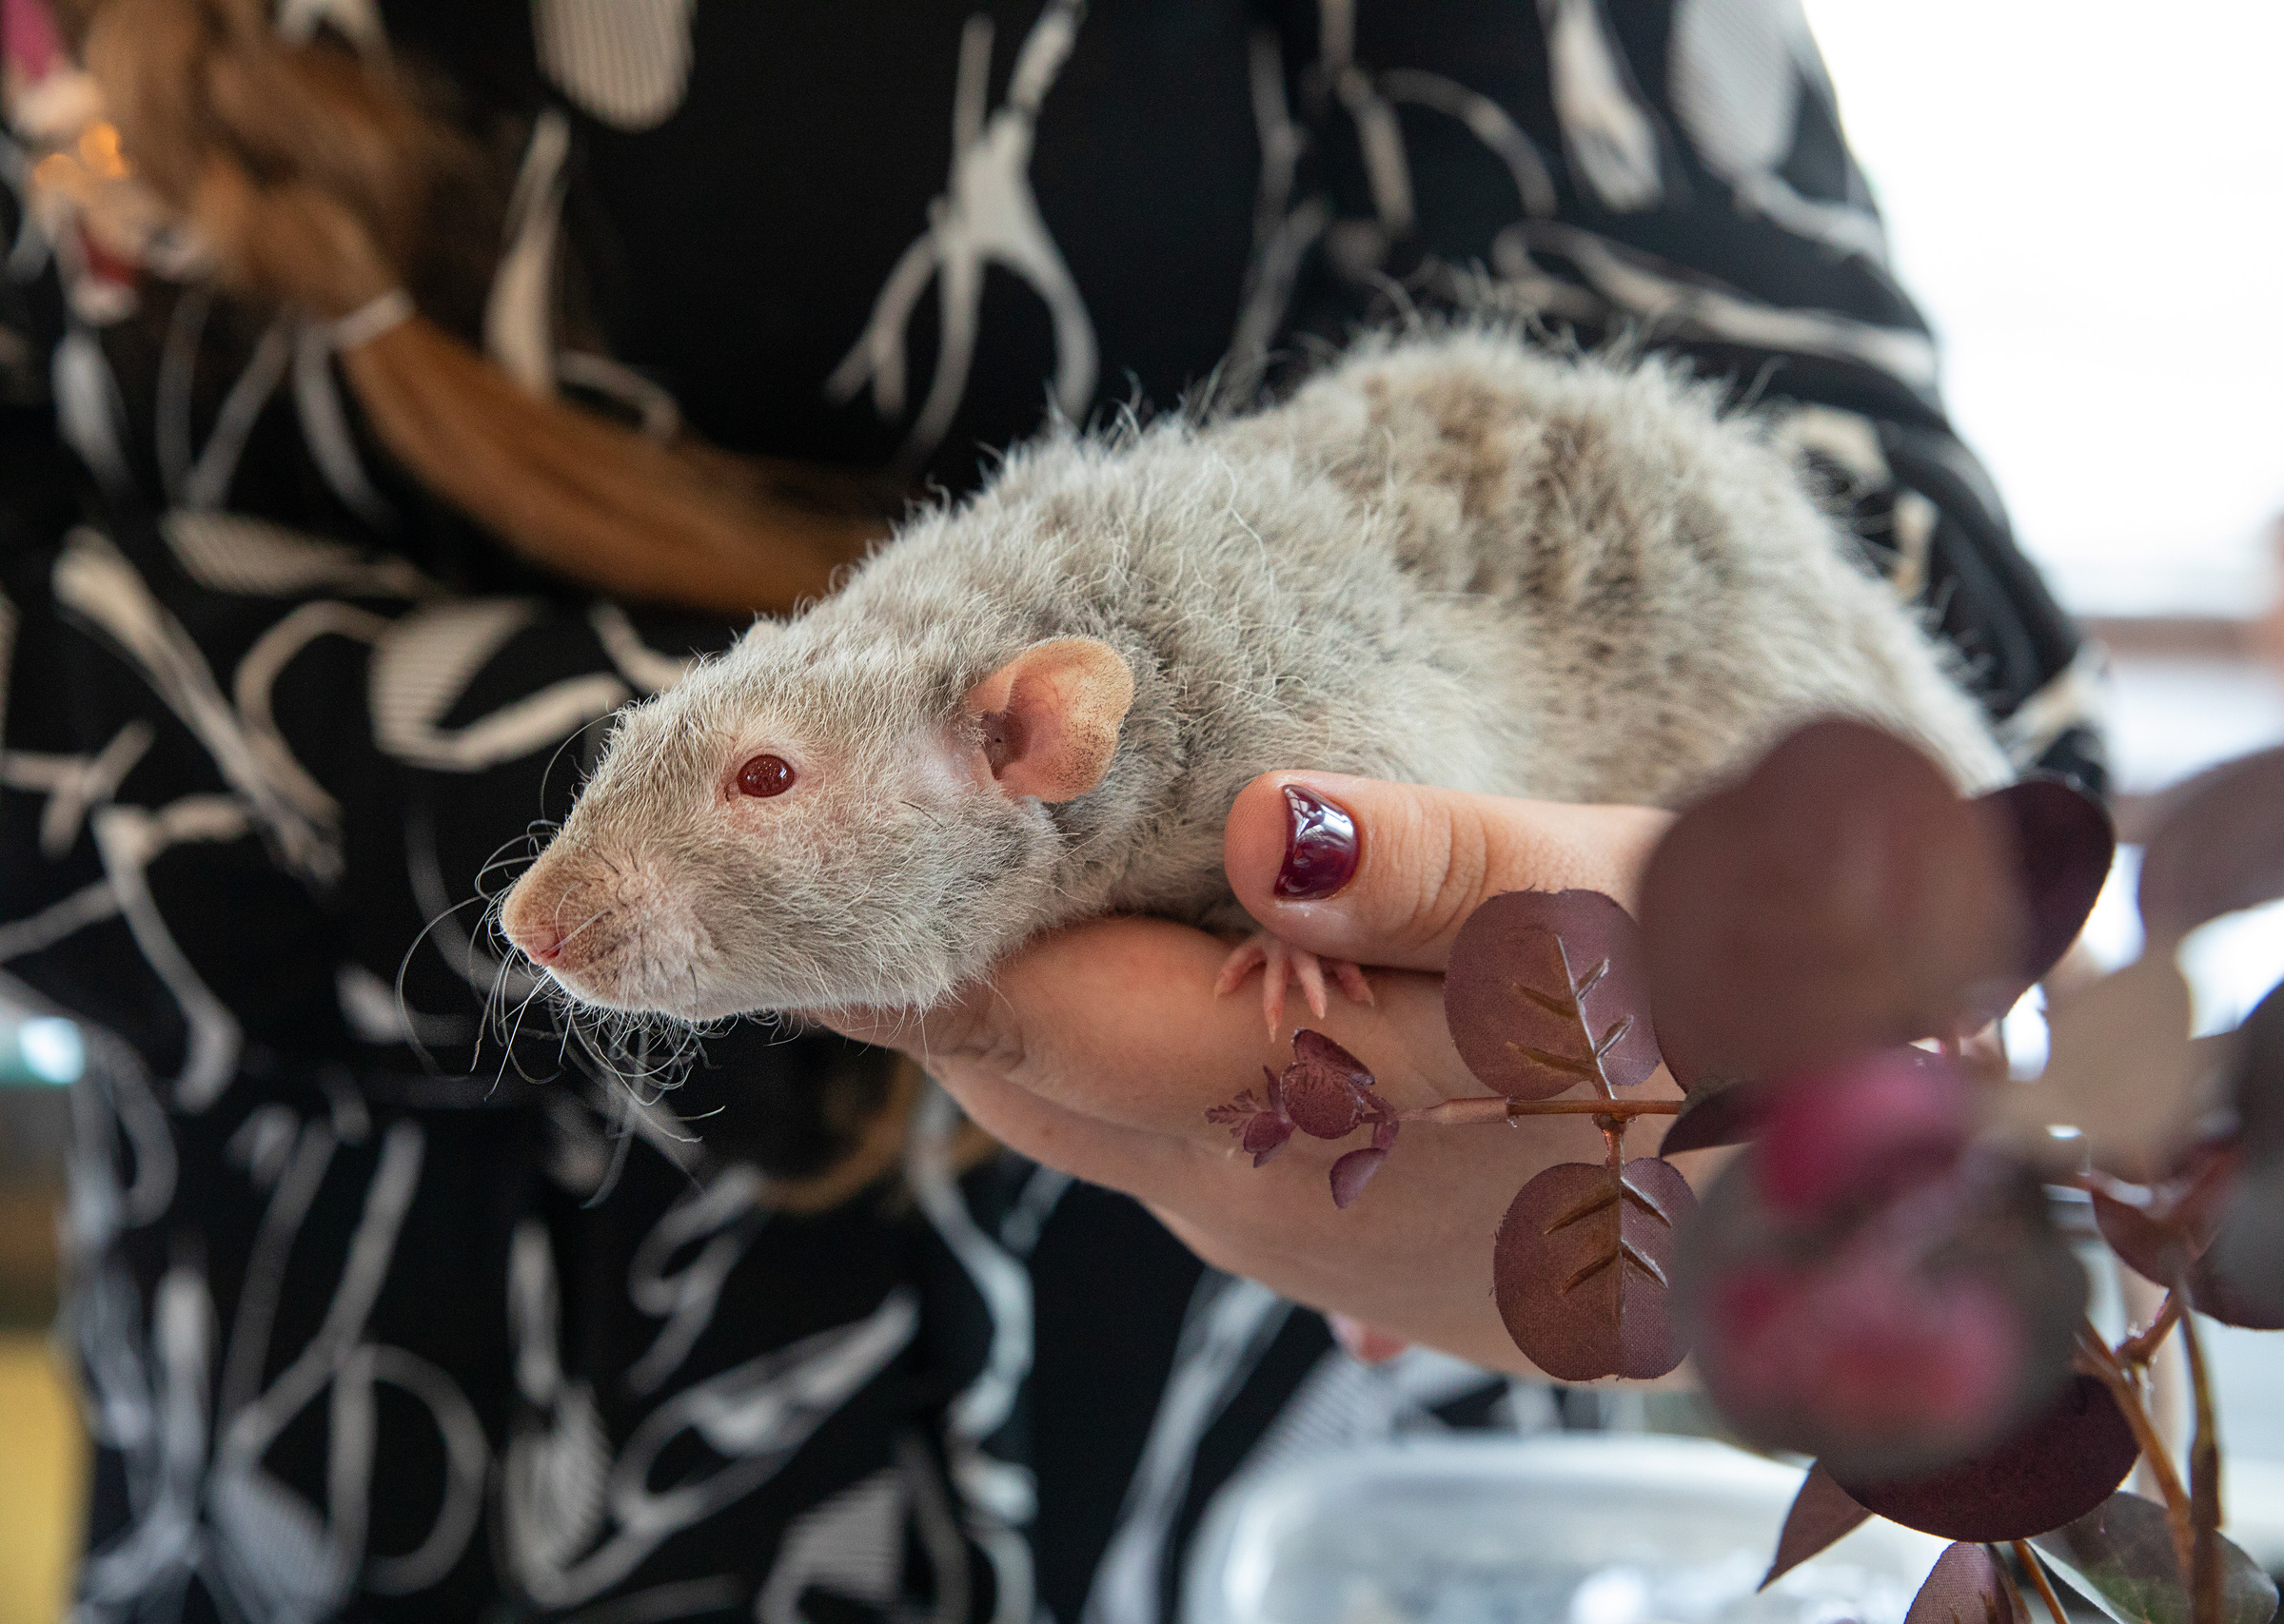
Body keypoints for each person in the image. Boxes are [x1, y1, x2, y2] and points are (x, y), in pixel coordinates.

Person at [0, 1, 2103, 1617]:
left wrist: (1733, 958)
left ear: (1037, 738)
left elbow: (1898, 569)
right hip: (336, 1447)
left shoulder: (1122, 692)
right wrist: (794, 899)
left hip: (1314, 1431)